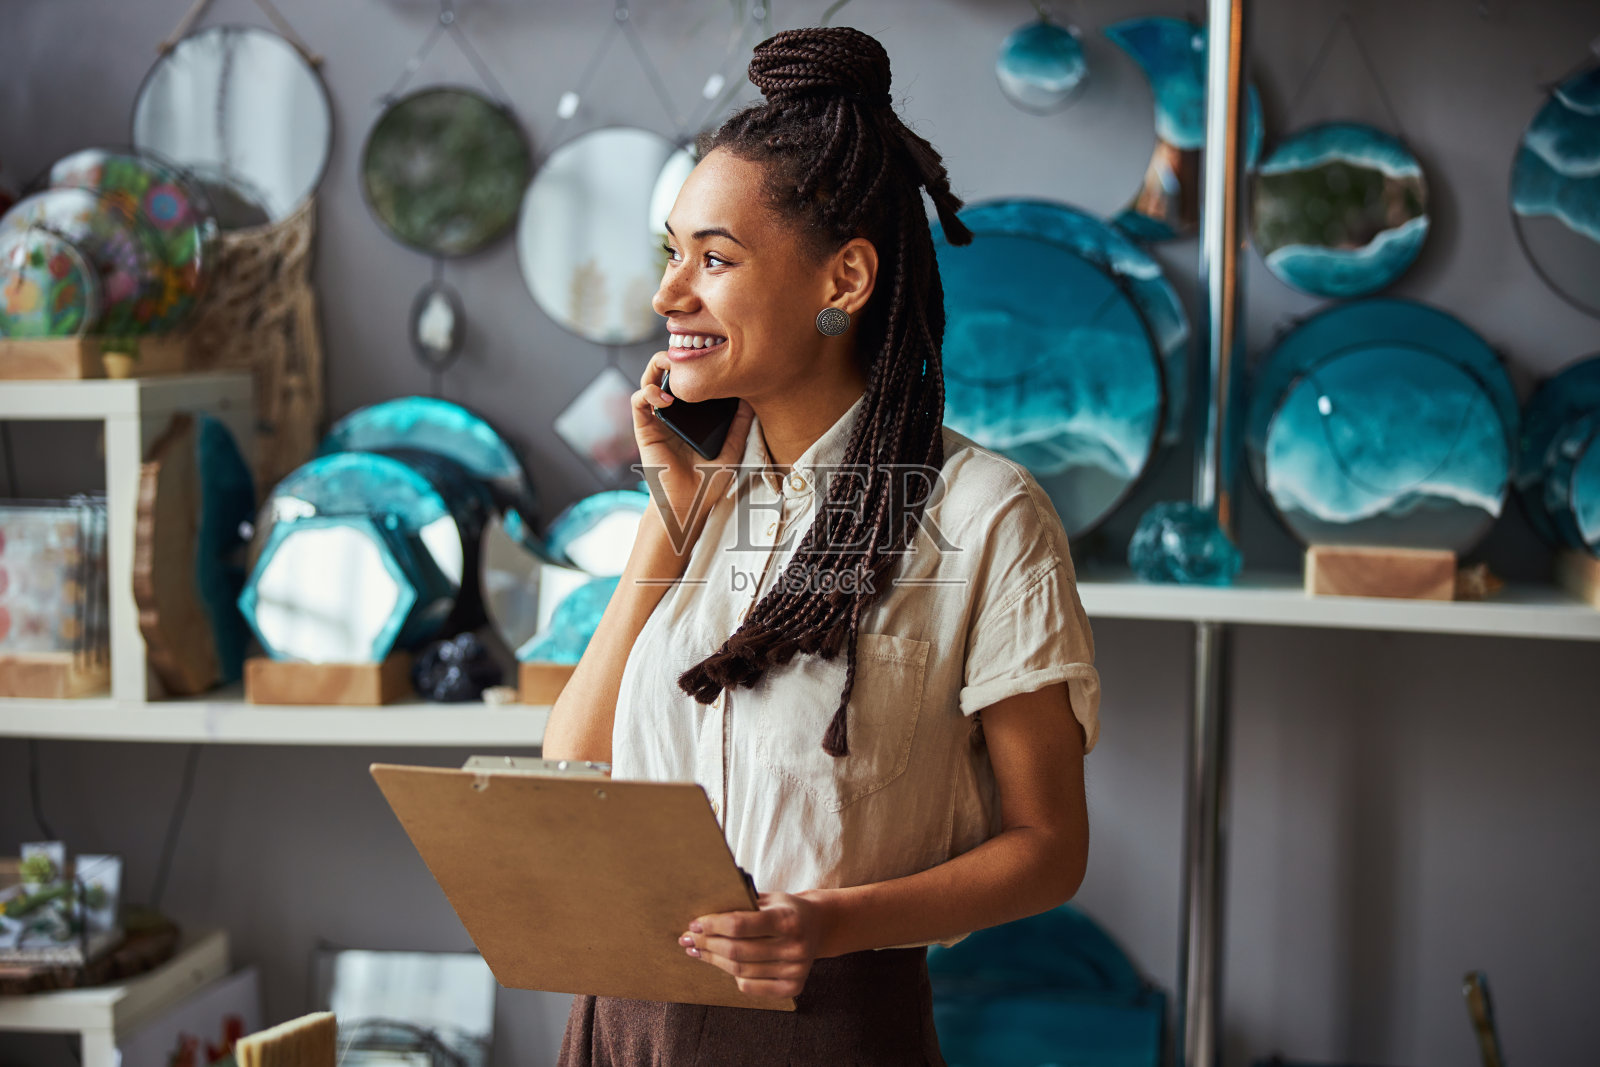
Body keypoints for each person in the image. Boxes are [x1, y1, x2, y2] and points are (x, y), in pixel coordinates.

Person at [543, 24, 1099, 1066]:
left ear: (843, 279)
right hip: (618, 1013)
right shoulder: (701, 497)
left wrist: (826, 923)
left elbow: (1048, 847)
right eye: (672, 254)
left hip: (822, 1027)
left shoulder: (984, 516)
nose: (668, 295)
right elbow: (574, 762)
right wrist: (668, 528)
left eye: (714, 258)